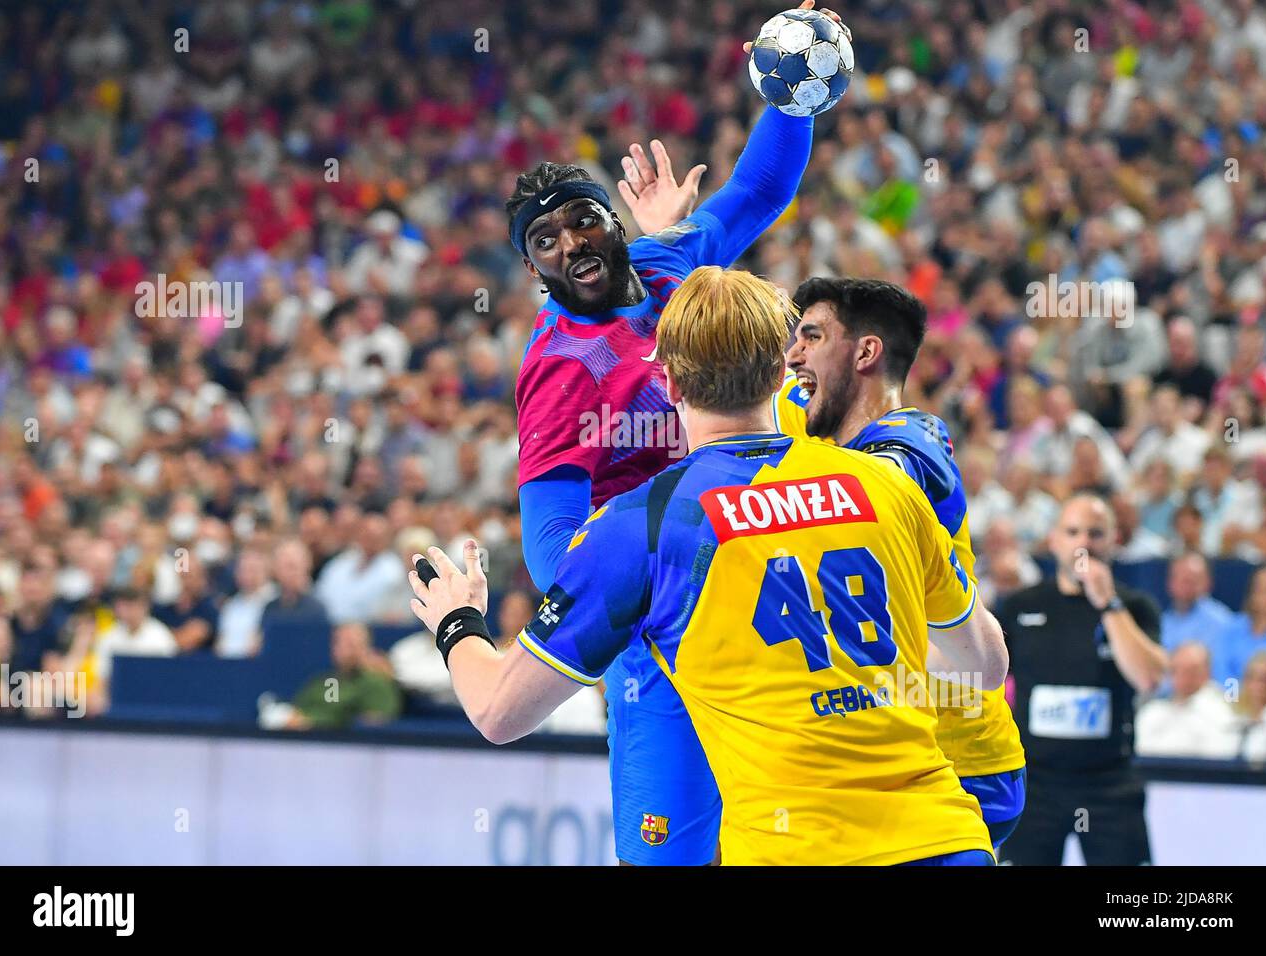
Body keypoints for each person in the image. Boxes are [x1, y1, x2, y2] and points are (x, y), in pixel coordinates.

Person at [409, 266, 1007, 865]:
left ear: (666, 382)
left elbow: (496, 711)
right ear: (781, 373)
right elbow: (982, 665)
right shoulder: (885, 483)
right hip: (945, 841)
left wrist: (457, 621)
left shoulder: (640, 524)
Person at [511, 0, 849, 866]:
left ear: (613, 223)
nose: (570, 243)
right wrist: (638, 590)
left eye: (581, 219)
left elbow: (762, 190)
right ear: (533, 269)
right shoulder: (556, 366)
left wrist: (788, 94)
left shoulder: (673, 263)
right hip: (667, 630)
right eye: (543, 241)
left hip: (776, 583)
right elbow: (551, 543)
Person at [778, 276, 1026, 849]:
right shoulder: (807, 412)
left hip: (960, 762)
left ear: (865, 353)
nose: (794, 354)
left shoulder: (914, 442)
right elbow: (728, 379)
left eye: (811, 337)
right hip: (863, 755)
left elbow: (884, 481)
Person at [996, 496, 1168, 865]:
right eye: (1073, 532)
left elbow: (1150, 678)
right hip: (1034, 784)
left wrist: (1108, 605)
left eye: (1096, 533)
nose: (1084, 543)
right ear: (1054, 540)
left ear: (1114, 541)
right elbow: (979, 675)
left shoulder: (1135, 606)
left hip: (1108, 784)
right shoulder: (1019, 606)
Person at [284, 621, 403, 731]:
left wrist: (311, 723)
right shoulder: (325, 681)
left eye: (350, 643)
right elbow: (297, 710)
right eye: (337, 642)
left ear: (365, 648)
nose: (342, 649)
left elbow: (375, 725)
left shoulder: (376, 683)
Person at [1134, 642, 1238, 758]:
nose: (1183, 677)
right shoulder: (1151, 711)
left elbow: (1220, 757)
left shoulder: (1220, 712)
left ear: (1207, 672)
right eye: (1176, 669)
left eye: (1192, 670)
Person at [1205, 566, 1266, 688]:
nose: (1264, 596)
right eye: (1259, 589)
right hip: (1232, 699)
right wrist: (1236, 701)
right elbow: (1222, 670)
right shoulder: (1231, 628)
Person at [1160, 553, 1234, 653]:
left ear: (1208, 583)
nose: (1186, 585)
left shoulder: (1223, 622)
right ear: (1169, 582)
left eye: (1193, 579)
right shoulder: (1161, 621)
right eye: (1181, 578)